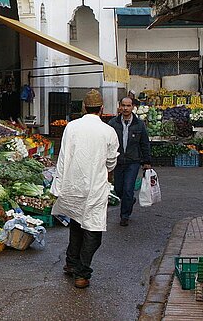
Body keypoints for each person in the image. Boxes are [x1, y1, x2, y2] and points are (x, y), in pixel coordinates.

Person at [51, 89, 119, 289]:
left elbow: (63, 157)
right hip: (95, 188)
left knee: (76, 225)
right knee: (93, 231)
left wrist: (58, 186)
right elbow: (111, 161)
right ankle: (82, 272)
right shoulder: (108, 131)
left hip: (73, 185)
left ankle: (71, 264)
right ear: (101, 109)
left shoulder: (72, 127)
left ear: (83, 108)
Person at [108, 97, 152, 227]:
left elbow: (144, 143)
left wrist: (146, 161)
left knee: (128, 188)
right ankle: (129, 201)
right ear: (119, 107)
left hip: (133, 161)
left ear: (133, 107)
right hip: (118, 160)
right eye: (123, 105)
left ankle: (124, 216)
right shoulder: (113, 123)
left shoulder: (139, 124)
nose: (126, 108)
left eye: (128, 106)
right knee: (118, 189)